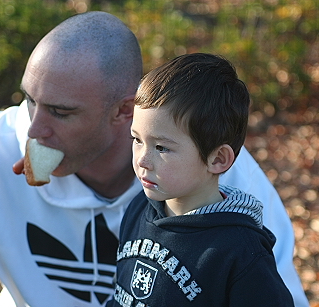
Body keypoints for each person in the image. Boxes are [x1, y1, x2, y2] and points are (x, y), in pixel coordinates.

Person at [0, 11, 308, 307]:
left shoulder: (220, 184)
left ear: (124, 111)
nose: (34, 130)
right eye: (30, 100)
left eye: (61, 111)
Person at [107, 53, 294, 306]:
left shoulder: (240, 252)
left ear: (218, 159)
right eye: (137, 140)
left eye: (161, 147)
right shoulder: (138, 208)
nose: (142, 159)